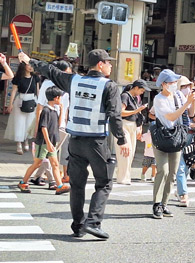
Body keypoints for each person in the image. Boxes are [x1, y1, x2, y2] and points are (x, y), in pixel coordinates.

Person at [18, 49, 130, 239]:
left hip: (76, 141)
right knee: (104, 183)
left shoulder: (74, 80)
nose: (111, 65)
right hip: (96, 142)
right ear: (100, 65)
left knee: (77, 185)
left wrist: (30, 61)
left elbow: (50, 71)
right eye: (108, 62)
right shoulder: (109, 86)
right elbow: (114, 115)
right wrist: (121, 139)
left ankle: (78, 225)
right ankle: (93, 222)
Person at [152, 69, 195, 219]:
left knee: (172, 173)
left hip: (177, 136)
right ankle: (156, 204)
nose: (174, 85)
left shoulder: (178, 95)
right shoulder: (159, 99)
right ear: (164, 84)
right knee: (162, 171)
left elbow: (190, 113)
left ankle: (164, 204)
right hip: (162, 136)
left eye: (175, 82)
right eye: (171, 82)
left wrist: (192, 100)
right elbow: (171, 117)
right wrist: (186, 104)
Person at [17, 86, 70, 195]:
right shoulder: (46, 111)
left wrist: (61, 109)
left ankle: (59, 186)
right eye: (59, 97)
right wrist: (48, 142)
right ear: (56, 98)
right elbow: (43, 127)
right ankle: (23, 182)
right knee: (37, 163)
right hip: (44, 142)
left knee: (55, 164)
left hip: (52, 141)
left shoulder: (54, 110)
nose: (60, 99)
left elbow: (59, 124)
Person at [35, 60, 72, 186]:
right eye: (67, 72)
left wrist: (65, 122)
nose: (69, 74)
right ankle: (52, 180)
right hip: (48, 122)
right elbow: (39, 107)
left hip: (61, 124)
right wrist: (37, 127)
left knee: (51, 152)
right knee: (51, 153)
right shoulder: (47, 84)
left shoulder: (68, 84)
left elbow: (66, 106)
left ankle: (37, 176)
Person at [116, 79, 150, 185]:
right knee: (125, 152)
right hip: (124, 125)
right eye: (141, 90)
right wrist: (137, 110)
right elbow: (121, 112)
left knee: (131, 153)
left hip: (133, 125)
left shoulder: (136, 98)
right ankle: (122, 178)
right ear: (136, 88)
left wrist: (139, 126)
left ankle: (126, 176)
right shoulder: (125, 96)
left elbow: (137, 114)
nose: (142, 92)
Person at [4, 62, 40, 154]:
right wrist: (10, 104)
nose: (31, 67)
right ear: (24, 66)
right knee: (19, 122)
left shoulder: (35, 77)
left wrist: (40, 103)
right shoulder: (18, 78)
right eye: (29, 65)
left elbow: (38, 90)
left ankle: (26, 140)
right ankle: (19, 143)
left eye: (32, 65)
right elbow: (14, 90)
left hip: (32, 100)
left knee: (29, 122)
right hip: (20, 100)